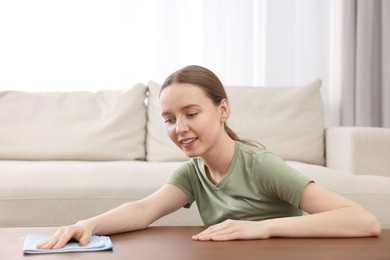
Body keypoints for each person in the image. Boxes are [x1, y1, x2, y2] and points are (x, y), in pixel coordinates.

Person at [38, 65, 381, 249]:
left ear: (222, 110)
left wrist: (261, 229)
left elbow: (363, 221)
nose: (179, 128)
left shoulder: (259, 165)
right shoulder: (193, 173)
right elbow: (144, 210)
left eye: (191, 113)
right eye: (169, 120)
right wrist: (87, 225)